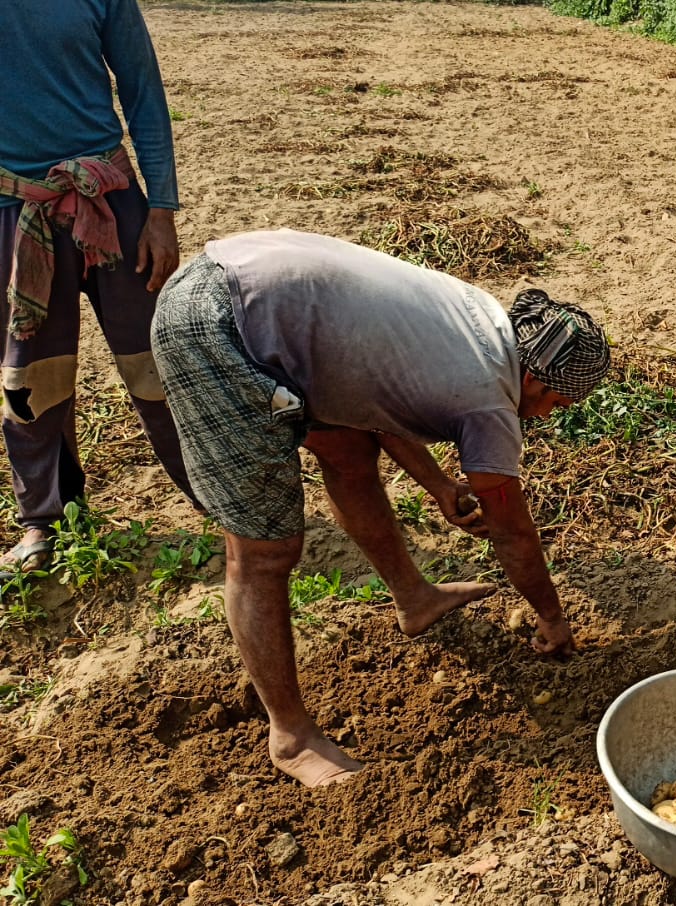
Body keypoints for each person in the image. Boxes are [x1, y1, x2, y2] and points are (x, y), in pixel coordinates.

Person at [151, 229, 611, 787]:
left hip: (260, 289)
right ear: (537, 379)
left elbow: (376, 396)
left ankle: (414, 598)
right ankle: (291, 737)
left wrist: (439, 484)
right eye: (556, 403)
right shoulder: (489, 398)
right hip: (218, 327)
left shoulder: (481, 317)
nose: (546, 416)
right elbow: (511, 532)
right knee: (264, 551)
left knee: (347, 451)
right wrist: (552, 616)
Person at [0, 0, 194, 579]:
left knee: (158, 358)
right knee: (30, 374)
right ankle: (47, 519)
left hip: (113, 201)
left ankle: (215, 490)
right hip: (15, 210)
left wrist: (160, 209)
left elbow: (143, 91)